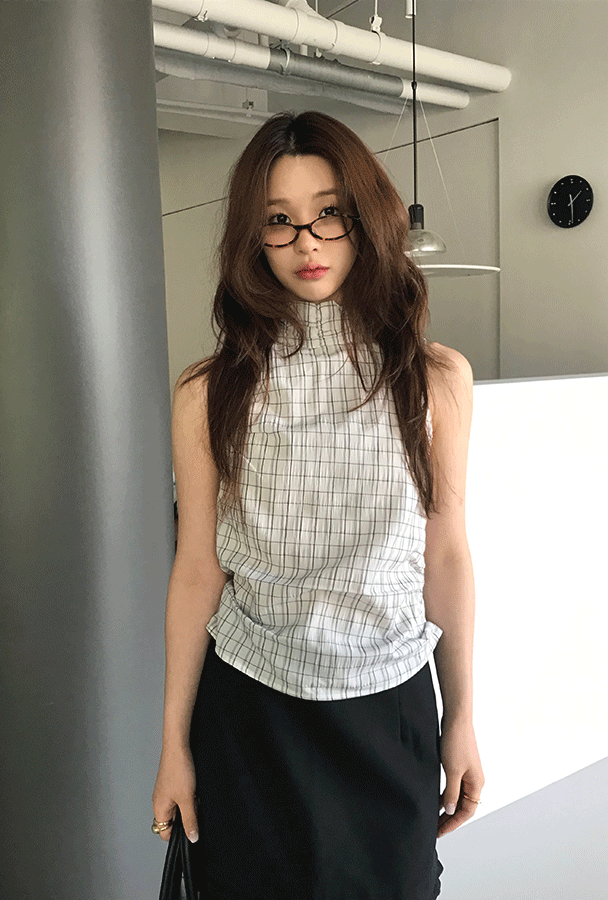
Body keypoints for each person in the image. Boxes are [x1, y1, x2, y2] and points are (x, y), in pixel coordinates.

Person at [152, 110, 484, 900]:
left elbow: (444, 556)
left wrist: (463, 716)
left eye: (329, 212)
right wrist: (172, 741)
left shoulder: (435, 378)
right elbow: (198, 570)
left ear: (367, 217)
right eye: (279, 220)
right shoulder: (208, 390)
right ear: (253, 238)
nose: (307, 242)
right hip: (250, 711)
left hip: (389, 706)